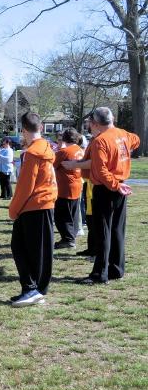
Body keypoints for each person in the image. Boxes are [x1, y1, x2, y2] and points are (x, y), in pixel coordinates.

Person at [71, 107, 140, 285]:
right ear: (112, 118)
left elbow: (101, 170)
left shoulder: (100, 141)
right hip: (120, 187)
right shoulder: (123, 134)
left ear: (95, 123)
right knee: (117, 229)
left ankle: (99, 274)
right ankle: (116, 269)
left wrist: (115, 185)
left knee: (103, 232)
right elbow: (136, 140)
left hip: (107, 189)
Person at [9, 112, 57, 307]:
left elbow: (25, 186)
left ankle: (31, 289)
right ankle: (33, 289)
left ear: (23, 130)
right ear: (42, 127)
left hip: (33, 205)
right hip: (45, 203)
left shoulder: (32, 153)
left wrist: (13, 210)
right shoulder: (45, 146)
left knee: (20, 247)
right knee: (38, 251)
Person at [53, 128, 84, 249]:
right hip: (77, 184)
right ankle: (71, 236)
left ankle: (68, 239)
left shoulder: (64, 152)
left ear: (64, 138)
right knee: (73, 213)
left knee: (61, 215)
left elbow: (52, 165)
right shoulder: (80, 150)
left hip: (65, 187)